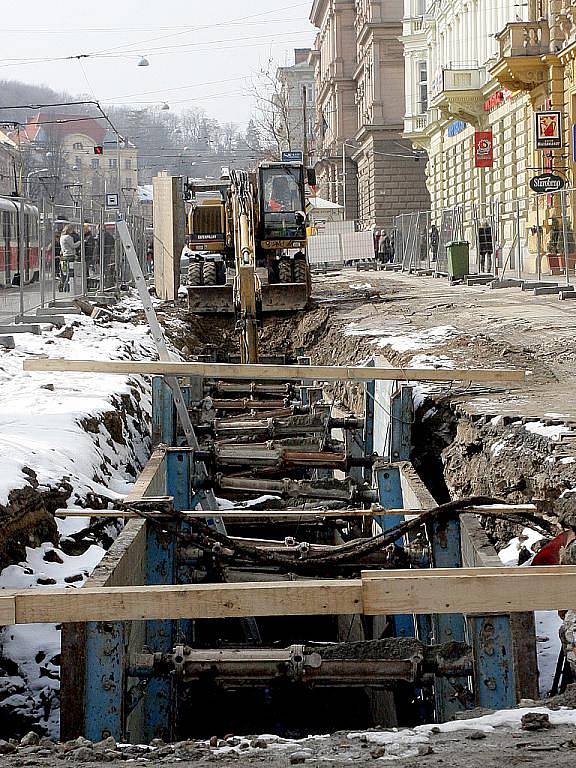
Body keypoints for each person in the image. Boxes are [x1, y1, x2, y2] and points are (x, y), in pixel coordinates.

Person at [59, 225, 80, 292]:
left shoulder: (61, 237)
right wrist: (80, 242)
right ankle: (68, 287)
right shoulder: (68, 237)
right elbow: (74, 246)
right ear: (69, 230)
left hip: (65, 255)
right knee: (71, 273)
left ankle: (65, 286)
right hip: (70, 256)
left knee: (66, 272)